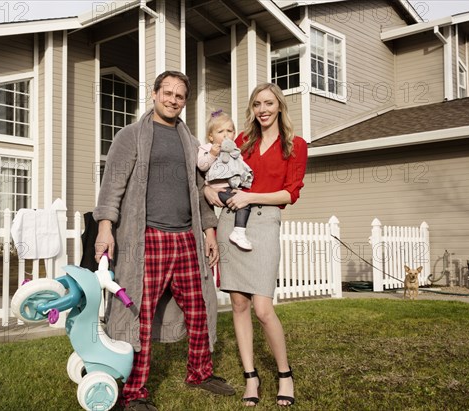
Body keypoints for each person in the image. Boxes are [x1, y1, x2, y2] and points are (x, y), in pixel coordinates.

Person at [93, 71, 235, 411]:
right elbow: (112, 185)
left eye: (179, 95)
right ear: (155, 94)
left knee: (199, 307)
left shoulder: (190, 142)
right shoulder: (130, 136)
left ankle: (200, 372)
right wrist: (104, 227)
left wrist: (209, 231)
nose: (172, 100)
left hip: (186, 237)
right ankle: (134, 392)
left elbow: (200, 191)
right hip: (148, 238)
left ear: (185, 101)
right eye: (167, 93)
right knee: (138, 312)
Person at [204, 83, 308, 407]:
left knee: (262, 309)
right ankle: (251, 376)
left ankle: (284, 373)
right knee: (238, 304)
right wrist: (210, 193)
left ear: (279, 106)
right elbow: (212, 173)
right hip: (231, 221)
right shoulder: (240, 144)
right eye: (257, 104)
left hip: (264, 223)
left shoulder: (296, 145)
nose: (262, 109)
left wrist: (251, 196)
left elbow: (290, 193)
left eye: (268, 103)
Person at [197, 110, 254, 250]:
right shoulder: (206, 148)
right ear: (211, 136)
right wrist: (212, 155)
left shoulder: (234, 152)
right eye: (220, 131)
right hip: (216, 189)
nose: (225, 134)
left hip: (230, 187)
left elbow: (239, 168)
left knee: (244, 201)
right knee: (242, 204)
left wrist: (241, 182)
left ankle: (238, 231)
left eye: (229, 130)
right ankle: (238, 232)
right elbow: (201, 166)